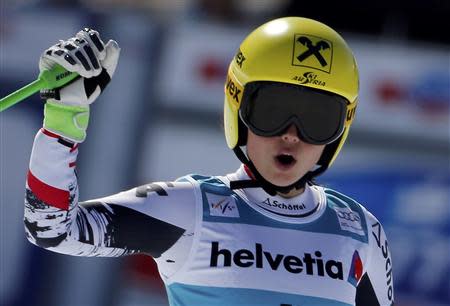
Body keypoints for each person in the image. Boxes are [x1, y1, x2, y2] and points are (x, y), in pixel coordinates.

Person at [24, 17, 394, 306]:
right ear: (239, 109)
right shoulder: (191, 208)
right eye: (273, 111)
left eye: (317, 120)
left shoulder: (361, 231)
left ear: (340, 129)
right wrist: (63, 117)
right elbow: (52, 228)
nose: (291, 135)